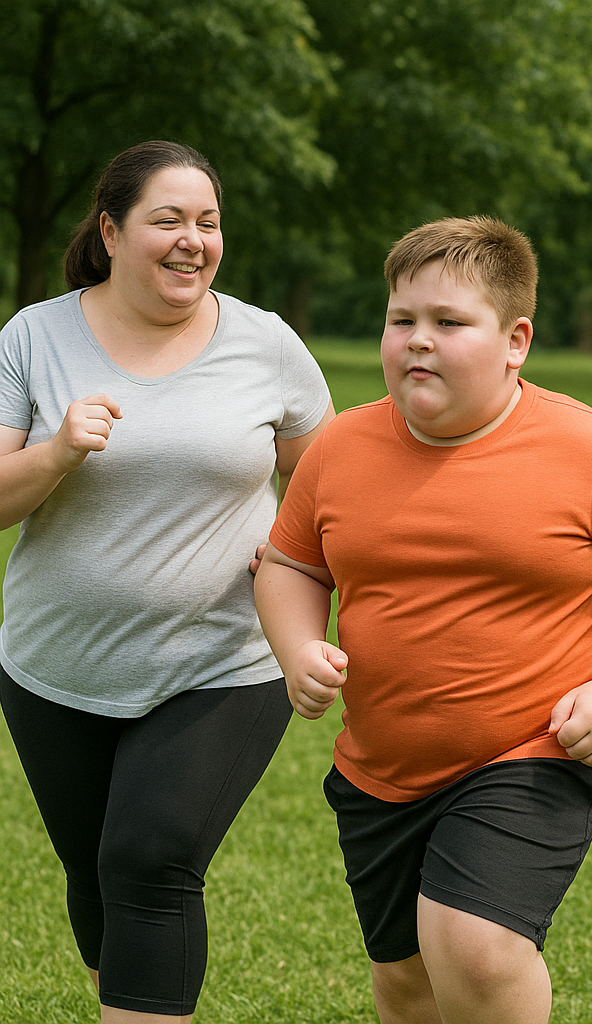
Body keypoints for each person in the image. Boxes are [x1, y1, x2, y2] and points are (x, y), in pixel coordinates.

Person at [254, 215, 592, 1024]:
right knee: (406, 980)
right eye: (402, 321)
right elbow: (293, 563)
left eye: (448, 323)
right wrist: (297, 645)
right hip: (382, 767)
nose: (417, 342)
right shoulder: (340, 448)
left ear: (516, 340)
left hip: (534, 749)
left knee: (473, 943)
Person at [0, 140, 334, 1023]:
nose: (194, 240)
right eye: (169, 220)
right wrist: (59, 448)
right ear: (111, 232)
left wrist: (308, 559)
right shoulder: (34, 336)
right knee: (97, 873)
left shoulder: (264, 341)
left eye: (209, 222)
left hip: (224, 660)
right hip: (55, 666)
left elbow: (327, 481)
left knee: (149, 860)